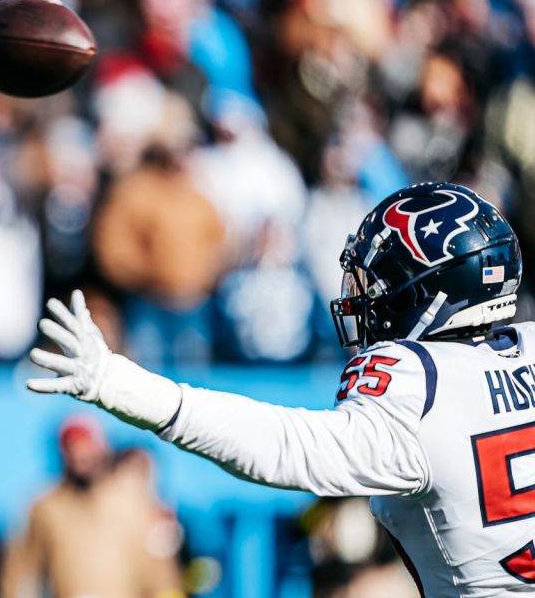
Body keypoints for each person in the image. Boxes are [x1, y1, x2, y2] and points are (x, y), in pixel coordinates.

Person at [27, 181, 531, 595]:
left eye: (375, 283)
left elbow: (284, 447)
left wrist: (122, 386)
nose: (362, 299)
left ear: (427, 293)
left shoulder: (416, 385)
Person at [0, 416, 184, 598]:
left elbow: (159, 571)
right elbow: (22, 571)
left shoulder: (133, 500)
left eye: (86, 447)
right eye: (72, 449)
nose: (80, 456)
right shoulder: (45, 507)